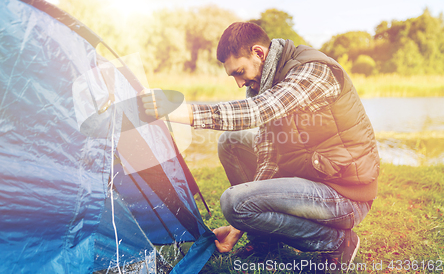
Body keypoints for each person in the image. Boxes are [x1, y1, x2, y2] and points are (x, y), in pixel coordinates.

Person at [140, 22, 379, 271]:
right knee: (231, 143)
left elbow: (257, 111)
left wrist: (180, 112)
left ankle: (338, 241)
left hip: (345, 193)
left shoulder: (313, 71)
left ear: (259, 53)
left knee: (233, 202)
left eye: (239, 72)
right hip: (312, 176)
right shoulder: (263, 82)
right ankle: (264, 237)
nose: (239, 83)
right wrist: (239, 227)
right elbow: (269, 157)